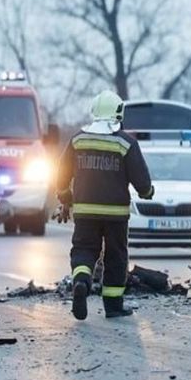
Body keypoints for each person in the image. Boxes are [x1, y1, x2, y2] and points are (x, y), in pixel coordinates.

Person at [56, 91, 154, 320]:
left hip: (85, 211)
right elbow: (141, 179)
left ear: (94, 111)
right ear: (119, 113)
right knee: (115, 256)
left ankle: (81, 281)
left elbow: (61, 172)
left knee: (84, 249)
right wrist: (147, 192)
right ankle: (113, 306)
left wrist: (64, 195)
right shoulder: (126, 142)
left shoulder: (78, 139)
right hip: (116, 215)